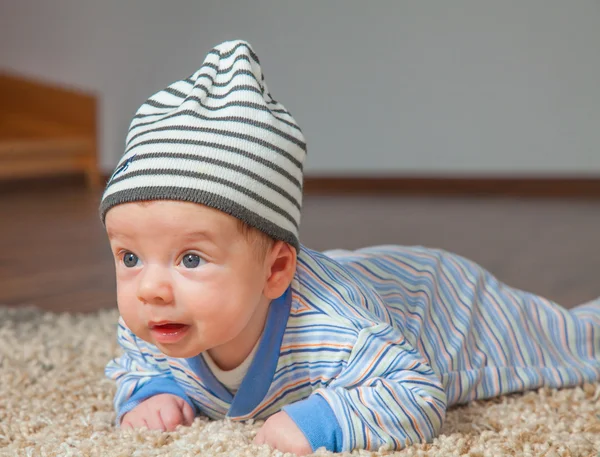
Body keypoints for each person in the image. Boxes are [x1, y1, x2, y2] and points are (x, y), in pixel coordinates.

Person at [101, 39, 600, 455]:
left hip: (439, 301)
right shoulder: (153, 314)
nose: (150, 288)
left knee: (574, 339)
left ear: (276, 271)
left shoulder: (335, 327)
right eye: (129, 257)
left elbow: (415, 391)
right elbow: (138, 363)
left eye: (190, 258)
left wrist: (324, 422)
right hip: (357, 277)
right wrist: (150, 391)